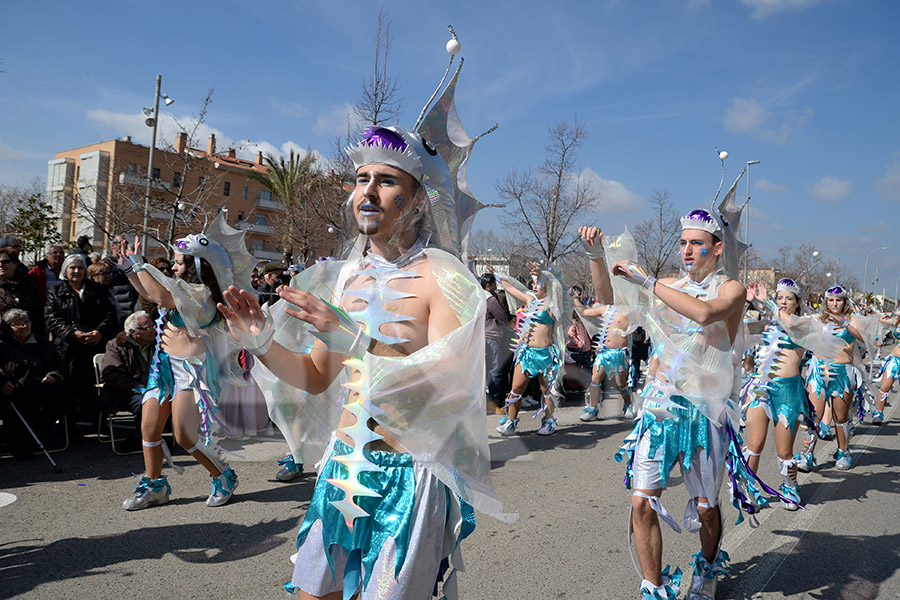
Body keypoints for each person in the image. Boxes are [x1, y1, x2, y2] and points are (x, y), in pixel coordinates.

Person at [220, 103, 506, 595]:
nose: (368, 191)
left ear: (416, 199)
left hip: (410, 476)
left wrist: (352, 337)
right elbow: (314, 376)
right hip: (343, 469)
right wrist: (261, 342)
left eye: (387, 180)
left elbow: (448, 390)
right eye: (360, 178)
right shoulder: (345, 279)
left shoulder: (447, 277)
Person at [610, 192, 776, 599]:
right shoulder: (667, 286)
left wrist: (647, 282)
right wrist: (599, 256)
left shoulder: (732, 290)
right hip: (662, 409)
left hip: (706, 411)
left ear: (717, 249)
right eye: (682, 243)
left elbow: (703, 314)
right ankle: (653, 587)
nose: (686, 250)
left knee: (705, 506)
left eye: (696, 243)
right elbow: (614, 302)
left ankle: (706, 568)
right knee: (642, 503)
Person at [117, 216, 256, 511]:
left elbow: (160, 295)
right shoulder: (181, 288)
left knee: (184, 435)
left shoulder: (203, 295)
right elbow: (149, 293)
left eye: (180, 262)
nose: (174, 266)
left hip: (189, 371)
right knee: (149, 428)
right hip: (162, 367)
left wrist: (138, 266)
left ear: (196, 265)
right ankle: (154, 485)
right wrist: (131, 268)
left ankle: (223, 475)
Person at [741, 278, 845, 510]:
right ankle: (750, 486)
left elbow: (787, 322)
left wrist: (765, 301)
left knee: (784, 450)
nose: (783, 302)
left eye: (789, 298)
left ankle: (789, 485)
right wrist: (746, 304)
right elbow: (741, 335)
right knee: (754, 444)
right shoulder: (766, 322)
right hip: (760, 388)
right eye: (779, 297)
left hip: (787, 392)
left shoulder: (804, 324)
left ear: (798, 303)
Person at [491, 261, 566, 436]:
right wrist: (496, 274)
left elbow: (557, 287)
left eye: (537, 283)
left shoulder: (552, 306)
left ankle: (549, 422)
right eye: (533, 283)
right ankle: (511, 422)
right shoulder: (530, 300)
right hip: (527, 354)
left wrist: (543, 274)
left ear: (546, 287)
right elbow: (510, 288)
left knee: (547, 391)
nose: (534, 285)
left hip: (546, 354)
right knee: (516, 389)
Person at [797, 284, 865, 471]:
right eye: (831, 300)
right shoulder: (818, 318)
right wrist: (765, 303)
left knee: (840, 417)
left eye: (839, 300)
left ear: (845, 301)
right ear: (826, 301)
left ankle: (843, 452)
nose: (835, 303)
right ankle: (808, 454)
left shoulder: (853, 319)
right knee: (813, 414)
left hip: (842, 373)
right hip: (818, 371)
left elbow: (863, 337)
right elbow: (792, 321)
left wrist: (845, 324)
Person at [573, 227, 633, 421]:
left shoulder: (629, 310)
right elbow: (583, 311)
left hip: (620, 354)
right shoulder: (604, 308)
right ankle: (592, 409)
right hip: (604, 352)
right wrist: (574, 299)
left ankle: (628, 404)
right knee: (595, 379)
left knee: (621, 383)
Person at [0, 309, 64, 459]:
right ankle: (21, 442)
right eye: (18, 324)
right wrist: (3, 382)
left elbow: (59, 365)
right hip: (12, 389)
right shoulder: (2, 344)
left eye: (26, 322)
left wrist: (53, 375)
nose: (24, 326)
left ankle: (36, 433)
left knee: (62, 394)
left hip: (39, 386)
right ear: (8, 327)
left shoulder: (42, 343)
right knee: (19, 402)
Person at [99, 311, 157, 447]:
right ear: (133, 332)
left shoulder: (158, 343)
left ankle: (149, 436)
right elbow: (112, 375)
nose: (153, 330)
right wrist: (141, 388)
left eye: (153, 326)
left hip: (156, 388)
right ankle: (147, 441)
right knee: (145, 403)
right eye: (148, 328)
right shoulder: (116, 345)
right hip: (126, 393)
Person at [481, 272, 513, 413]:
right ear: (489, 285)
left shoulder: (478, 297)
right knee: (496, 370)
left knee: (488, 370)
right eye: (494, 284)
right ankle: (494, 401)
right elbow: (501, 318)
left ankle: (488, 400)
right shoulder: (491, 300)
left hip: (482, 336)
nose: (495, 286)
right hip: (492, 337)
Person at [0, 245, 45, 337]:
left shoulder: (28, 286)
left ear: (15, 263)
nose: (1, 265)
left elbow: (38, 315)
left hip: (25, 338)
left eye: (5, 262)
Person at [873, 311, 900, 423]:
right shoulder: (897, 322)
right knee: (884, 387)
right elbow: (880, 319)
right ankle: (878, 413)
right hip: (894, 360)